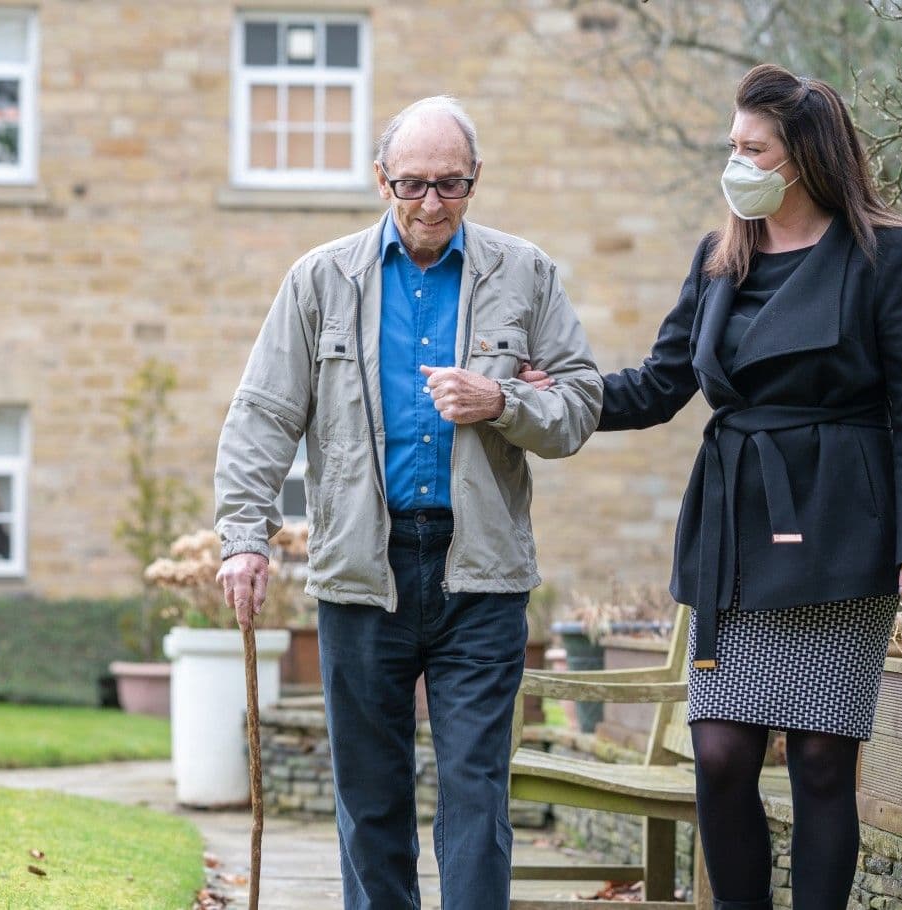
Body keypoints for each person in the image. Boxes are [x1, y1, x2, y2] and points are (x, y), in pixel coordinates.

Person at [521, 65, 902, 909]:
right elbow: (660, 383)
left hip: (842, 525)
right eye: (734, 147)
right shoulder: (722, 257)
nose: (738, 164)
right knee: (720, 755)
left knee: (824, 759)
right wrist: (562, 395)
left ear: (803, 158)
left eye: (753, 149)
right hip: (736, 527)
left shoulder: (885, 254)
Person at [213, 95, 603, 910]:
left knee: (474, 793)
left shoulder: (524, 273)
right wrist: (244, 537)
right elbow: (264, 415)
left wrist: (503, 403)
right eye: (414, 185)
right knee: (371, 797)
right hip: (362, 572)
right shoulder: (321, 279)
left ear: (476, 180)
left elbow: (578, 407)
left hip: (480, 574)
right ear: (381, 180)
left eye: (451, 185)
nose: (432, 204)